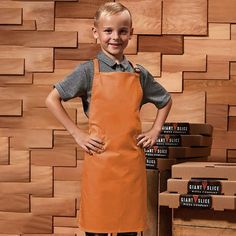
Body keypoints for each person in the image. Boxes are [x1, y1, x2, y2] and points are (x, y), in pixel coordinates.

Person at [46, 2, 172, 236]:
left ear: (130, 33)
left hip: (131, 166)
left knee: (129, 230)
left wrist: (155, 131)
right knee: (96, 229)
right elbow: (52, 99)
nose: (116, 37)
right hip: (100, 164)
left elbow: (165, 100)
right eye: (108, 31)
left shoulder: (138, 73)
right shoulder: (87, 71)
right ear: (96, 33)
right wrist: (77, 133)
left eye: (123, 31)